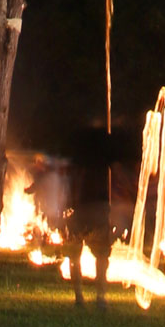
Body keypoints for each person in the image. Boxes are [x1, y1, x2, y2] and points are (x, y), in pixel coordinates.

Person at [63, 128, 116, 309]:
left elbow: (72, 185)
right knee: (95, 256)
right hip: (90, 211)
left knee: (87, 255)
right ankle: (95, 297)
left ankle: (85, 296)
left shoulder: (89, 164)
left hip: (90, 211)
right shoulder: (99, 164)